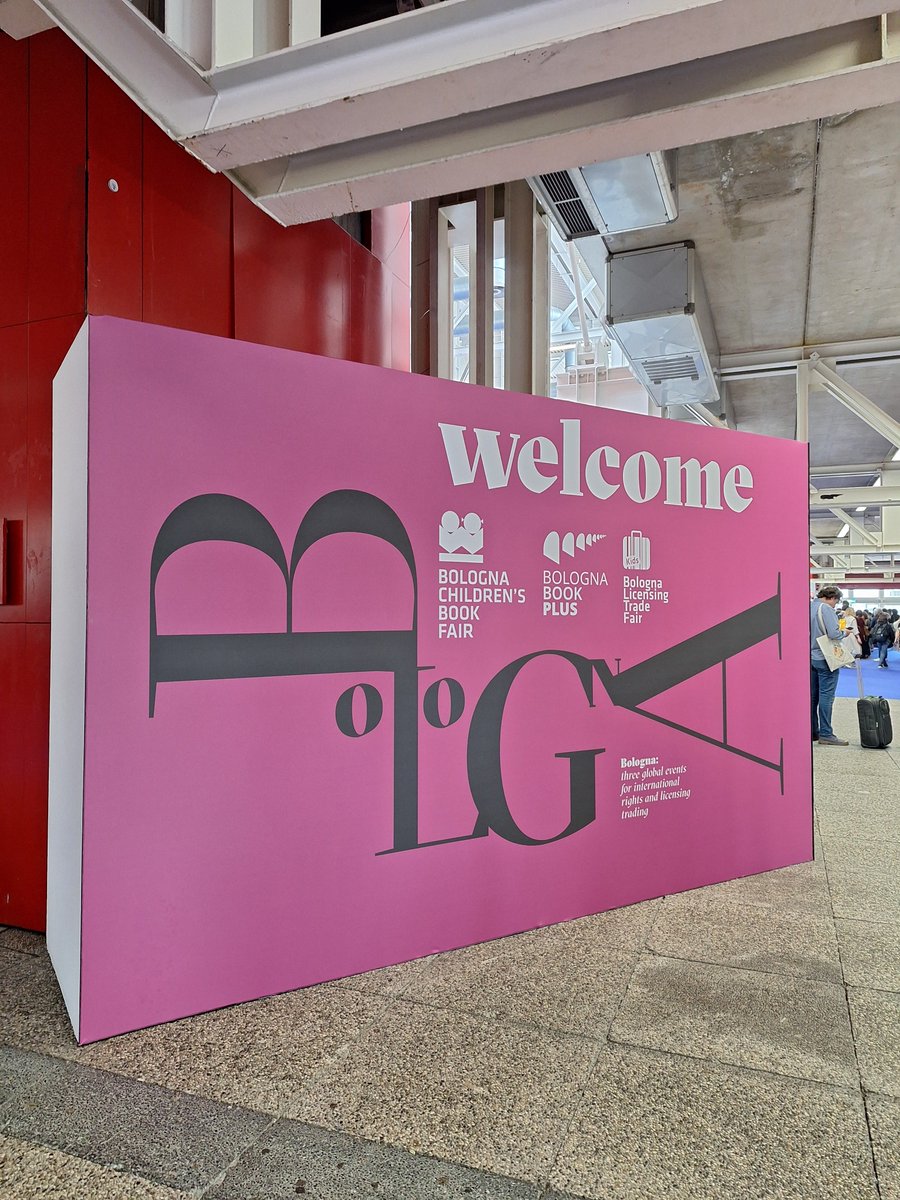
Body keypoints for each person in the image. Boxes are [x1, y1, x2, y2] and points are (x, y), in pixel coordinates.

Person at [810, 585, 849, 746]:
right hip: (825, 656)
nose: (835, 604)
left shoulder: (810, 607)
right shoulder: (826, 609)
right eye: (836, 601)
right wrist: (845, 632)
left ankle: (813, 731)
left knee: (812, 697)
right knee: (827, 696)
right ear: (832, 597)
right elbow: (834, 634)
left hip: (811, 656)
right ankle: (826, 733)